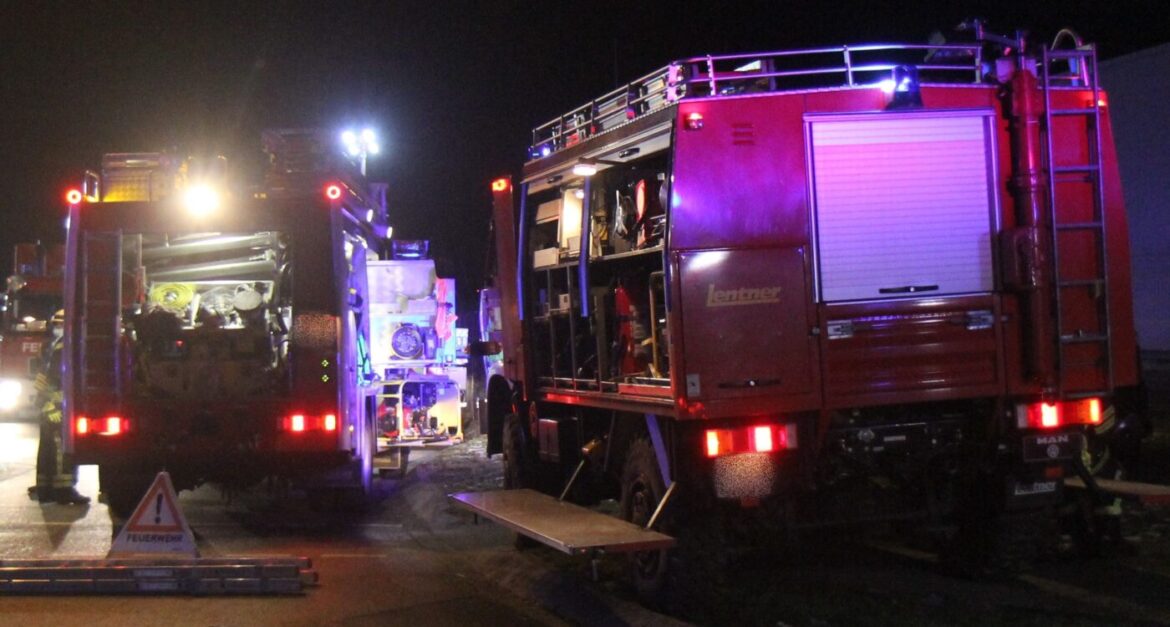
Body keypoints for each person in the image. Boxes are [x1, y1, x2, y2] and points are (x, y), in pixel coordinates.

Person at [26, 310, 89, 505]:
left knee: (47, 448)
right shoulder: (66, 347)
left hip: (48, 405)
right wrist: (54, 406)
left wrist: (43, 402)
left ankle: (45, 487)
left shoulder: (51, 345)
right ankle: (63, 488)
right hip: (59, 406)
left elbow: (42, 377)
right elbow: (57, 378)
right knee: (63, 447)